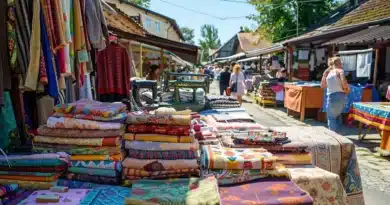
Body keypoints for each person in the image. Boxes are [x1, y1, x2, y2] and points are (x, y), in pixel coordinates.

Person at [321, 57, 350, 132]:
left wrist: (324, 74)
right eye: (341, 63)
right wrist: (346, 90)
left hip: (331, 97)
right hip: (341, 96)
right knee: (337, 116)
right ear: (339, 63)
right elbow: (344, 82)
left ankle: (334, 136)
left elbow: (322, 86)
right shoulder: (340, 71)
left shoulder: (328, 72)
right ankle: (338, 134)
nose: (342, 65)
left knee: (331, 118)